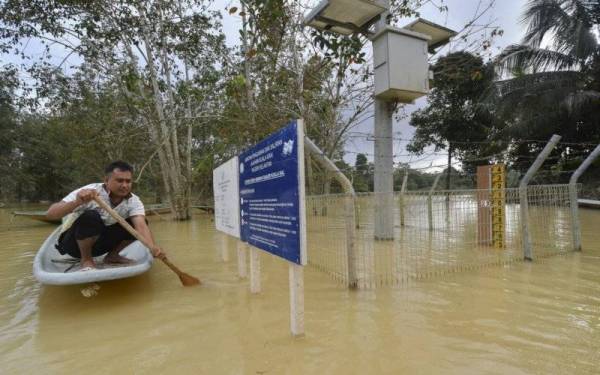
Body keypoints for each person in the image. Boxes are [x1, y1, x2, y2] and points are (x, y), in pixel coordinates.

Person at [46, 160, 164, 270]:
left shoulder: (134, 201)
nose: (124, 185)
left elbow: (141, 227)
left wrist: (152, 248)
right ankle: (86, 260)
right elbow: (51, 214)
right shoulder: (90, 190)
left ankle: (112, 256)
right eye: (120, 180)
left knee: (138, 223)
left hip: (99, 246)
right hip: (73, 245)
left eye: (128, 181)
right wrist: (77, 202)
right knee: (91, 216)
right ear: (106, 180)